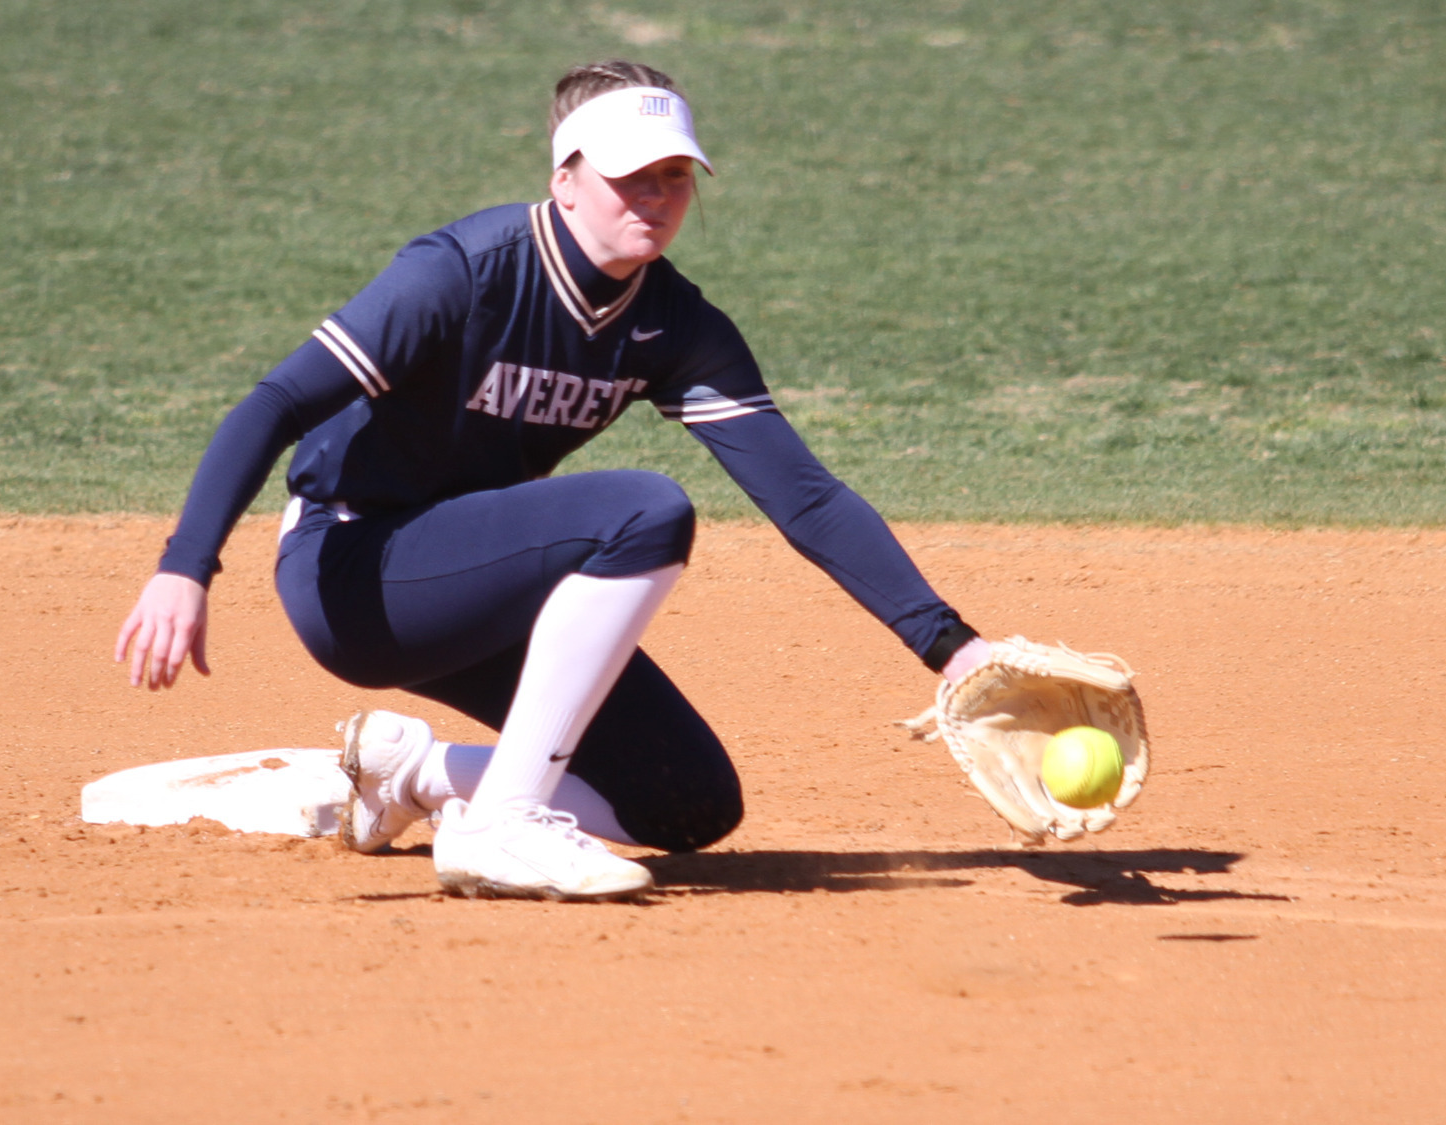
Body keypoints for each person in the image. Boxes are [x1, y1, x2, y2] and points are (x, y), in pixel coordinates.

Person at [114, 60, 990, 902]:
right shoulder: (462, 272)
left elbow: (804, 495)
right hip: (353, 566)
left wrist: (955, 650)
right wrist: (185, 565)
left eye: (676, 177)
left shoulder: (673, 323)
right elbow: (275, 403)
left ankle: (409, 771)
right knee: (646, 509)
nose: (655, 196)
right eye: (630, 177)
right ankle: (503, 821)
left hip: (489, 578)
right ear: (565, 179)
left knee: (687, 805)